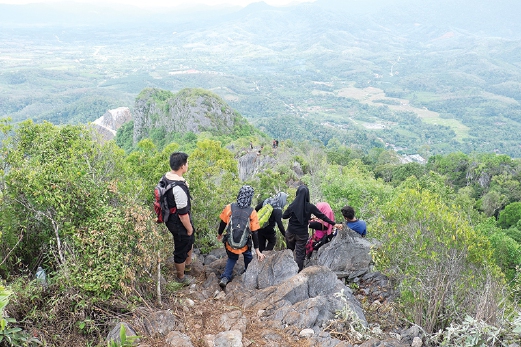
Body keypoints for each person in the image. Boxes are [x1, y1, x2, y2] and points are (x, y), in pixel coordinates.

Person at [282, 185, 343, 271]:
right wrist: (334, 224)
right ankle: (298, 272)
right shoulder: (310, 206)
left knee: (289, 250)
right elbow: (323, 216)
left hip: (290, 232)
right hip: (302, 234)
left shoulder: (292, 205)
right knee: (300, 254)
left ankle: (286, 269)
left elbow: (284, 216)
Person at [217, 185, 266, 288]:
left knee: (232, 258)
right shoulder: (252, 212)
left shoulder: (229, 207)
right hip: (244, 245)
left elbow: (222, 223)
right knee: (248, 256)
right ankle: (248, 273)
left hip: (230, 243)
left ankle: (225, 277)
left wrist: (220, 234)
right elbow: (255, 232)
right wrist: (257, 250)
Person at [164, 152, 195, 285]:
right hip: (178, 222)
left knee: (190, 240)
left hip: (171, 218)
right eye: (187, 163)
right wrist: (189, 229)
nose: (187, 165)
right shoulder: (178, 189)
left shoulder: (167, 178)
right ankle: (181, 278)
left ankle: (187, 266)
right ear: (182, 166)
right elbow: (183, 215)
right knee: (181, 248)